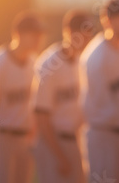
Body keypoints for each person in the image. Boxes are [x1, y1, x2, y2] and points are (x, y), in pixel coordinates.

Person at [0, 11, 45, 183]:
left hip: (25, 138)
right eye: (34, 34)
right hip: (0, 138)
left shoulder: (34, 62)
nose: (38, 39)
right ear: (18, 34)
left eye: (40, 34)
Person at [80, 0, 119, 182]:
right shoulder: (97, 56)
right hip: (103, 135)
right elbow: (98, 108)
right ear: (108, 21)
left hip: (118, 135)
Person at [33, 10, 94, 183]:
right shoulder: (49, 64)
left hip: (77, 141)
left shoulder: (84, 61)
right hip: (54, 143)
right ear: (69, 33)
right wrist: (59, 156)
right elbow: (41, 116)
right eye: (83, 34)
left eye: (88, 34)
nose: (87, 39)